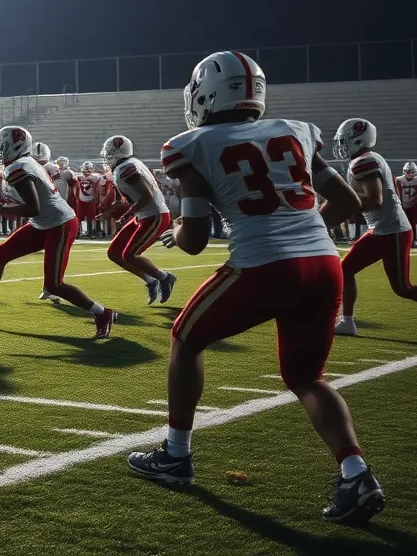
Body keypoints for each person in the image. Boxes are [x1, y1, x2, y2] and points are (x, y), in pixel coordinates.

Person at [129, 51, 383, 525]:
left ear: (205, 94)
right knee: (308, 377)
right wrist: (303, 233)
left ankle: (176, 454)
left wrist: (178, 231)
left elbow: (195, 240)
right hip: (323, 264)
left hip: (261, 267)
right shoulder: (298, 131)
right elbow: (347, 201)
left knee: (185, 338)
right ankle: (356, 473)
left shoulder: (190, 145)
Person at [0, 126, 117, 337]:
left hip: (59, 224)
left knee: (54, 285)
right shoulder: (23, 163)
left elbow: (33, 208)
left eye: (3, 147)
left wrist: (1, 209)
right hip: (42, 223)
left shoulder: (18, 167)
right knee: (0, 255)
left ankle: (102, 313)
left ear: (16, 147)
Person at [331, 120, 417, 335]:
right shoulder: (370, 158)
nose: (341, 146)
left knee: (403, 288)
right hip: (379, 229)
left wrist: (342, 200)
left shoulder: (364, 161)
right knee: (345, 269)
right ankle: (347, 321)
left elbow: (375, 200)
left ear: (359, 140)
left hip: (392, 231)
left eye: (344, 141)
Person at [101, 135, 177, 305]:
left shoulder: (126, 168)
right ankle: (151, 281)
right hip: (144, 215)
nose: (107, 155)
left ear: (117, 152)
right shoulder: (129, 164)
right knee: (114, 253)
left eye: (109, 152)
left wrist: (129, 213)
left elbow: (146, 195)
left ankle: (164, 277)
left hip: (154, 215)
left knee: (130, 255)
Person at [394, 162, 417, 248]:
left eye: (412, 172)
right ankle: (408, 240)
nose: (410, 174)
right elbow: (397, 193)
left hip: (416, 205)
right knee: (406, 224)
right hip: (404, 205)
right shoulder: (399, 179)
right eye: (408, 172)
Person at [74, 161, 101, 238]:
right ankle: (78, 232)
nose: (86, 172)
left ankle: (91, 232)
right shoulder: (79, 177)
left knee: (91, 217)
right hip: (82, 199)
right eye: (85, 170)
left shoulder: (95, 177)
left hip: (90, 200)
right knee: (79, 216)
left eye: (88, 170)